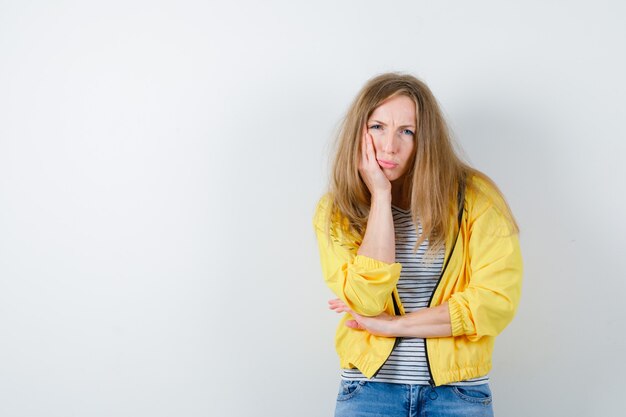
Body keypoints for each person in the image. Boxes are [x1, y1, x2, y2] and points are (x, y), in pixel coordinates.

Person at [312, 72, 523, 417]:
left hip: (457, 396)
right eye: (377, 127)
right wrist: (381, 196)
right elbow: (366, 302)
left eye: (406, 131)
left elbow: (495, 302)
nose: (389, 145)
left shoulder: (475, 200)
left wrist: (394, 325)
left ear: (425, 139)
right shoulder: (337, 211)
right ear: (358, 132)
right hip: (368, 392)